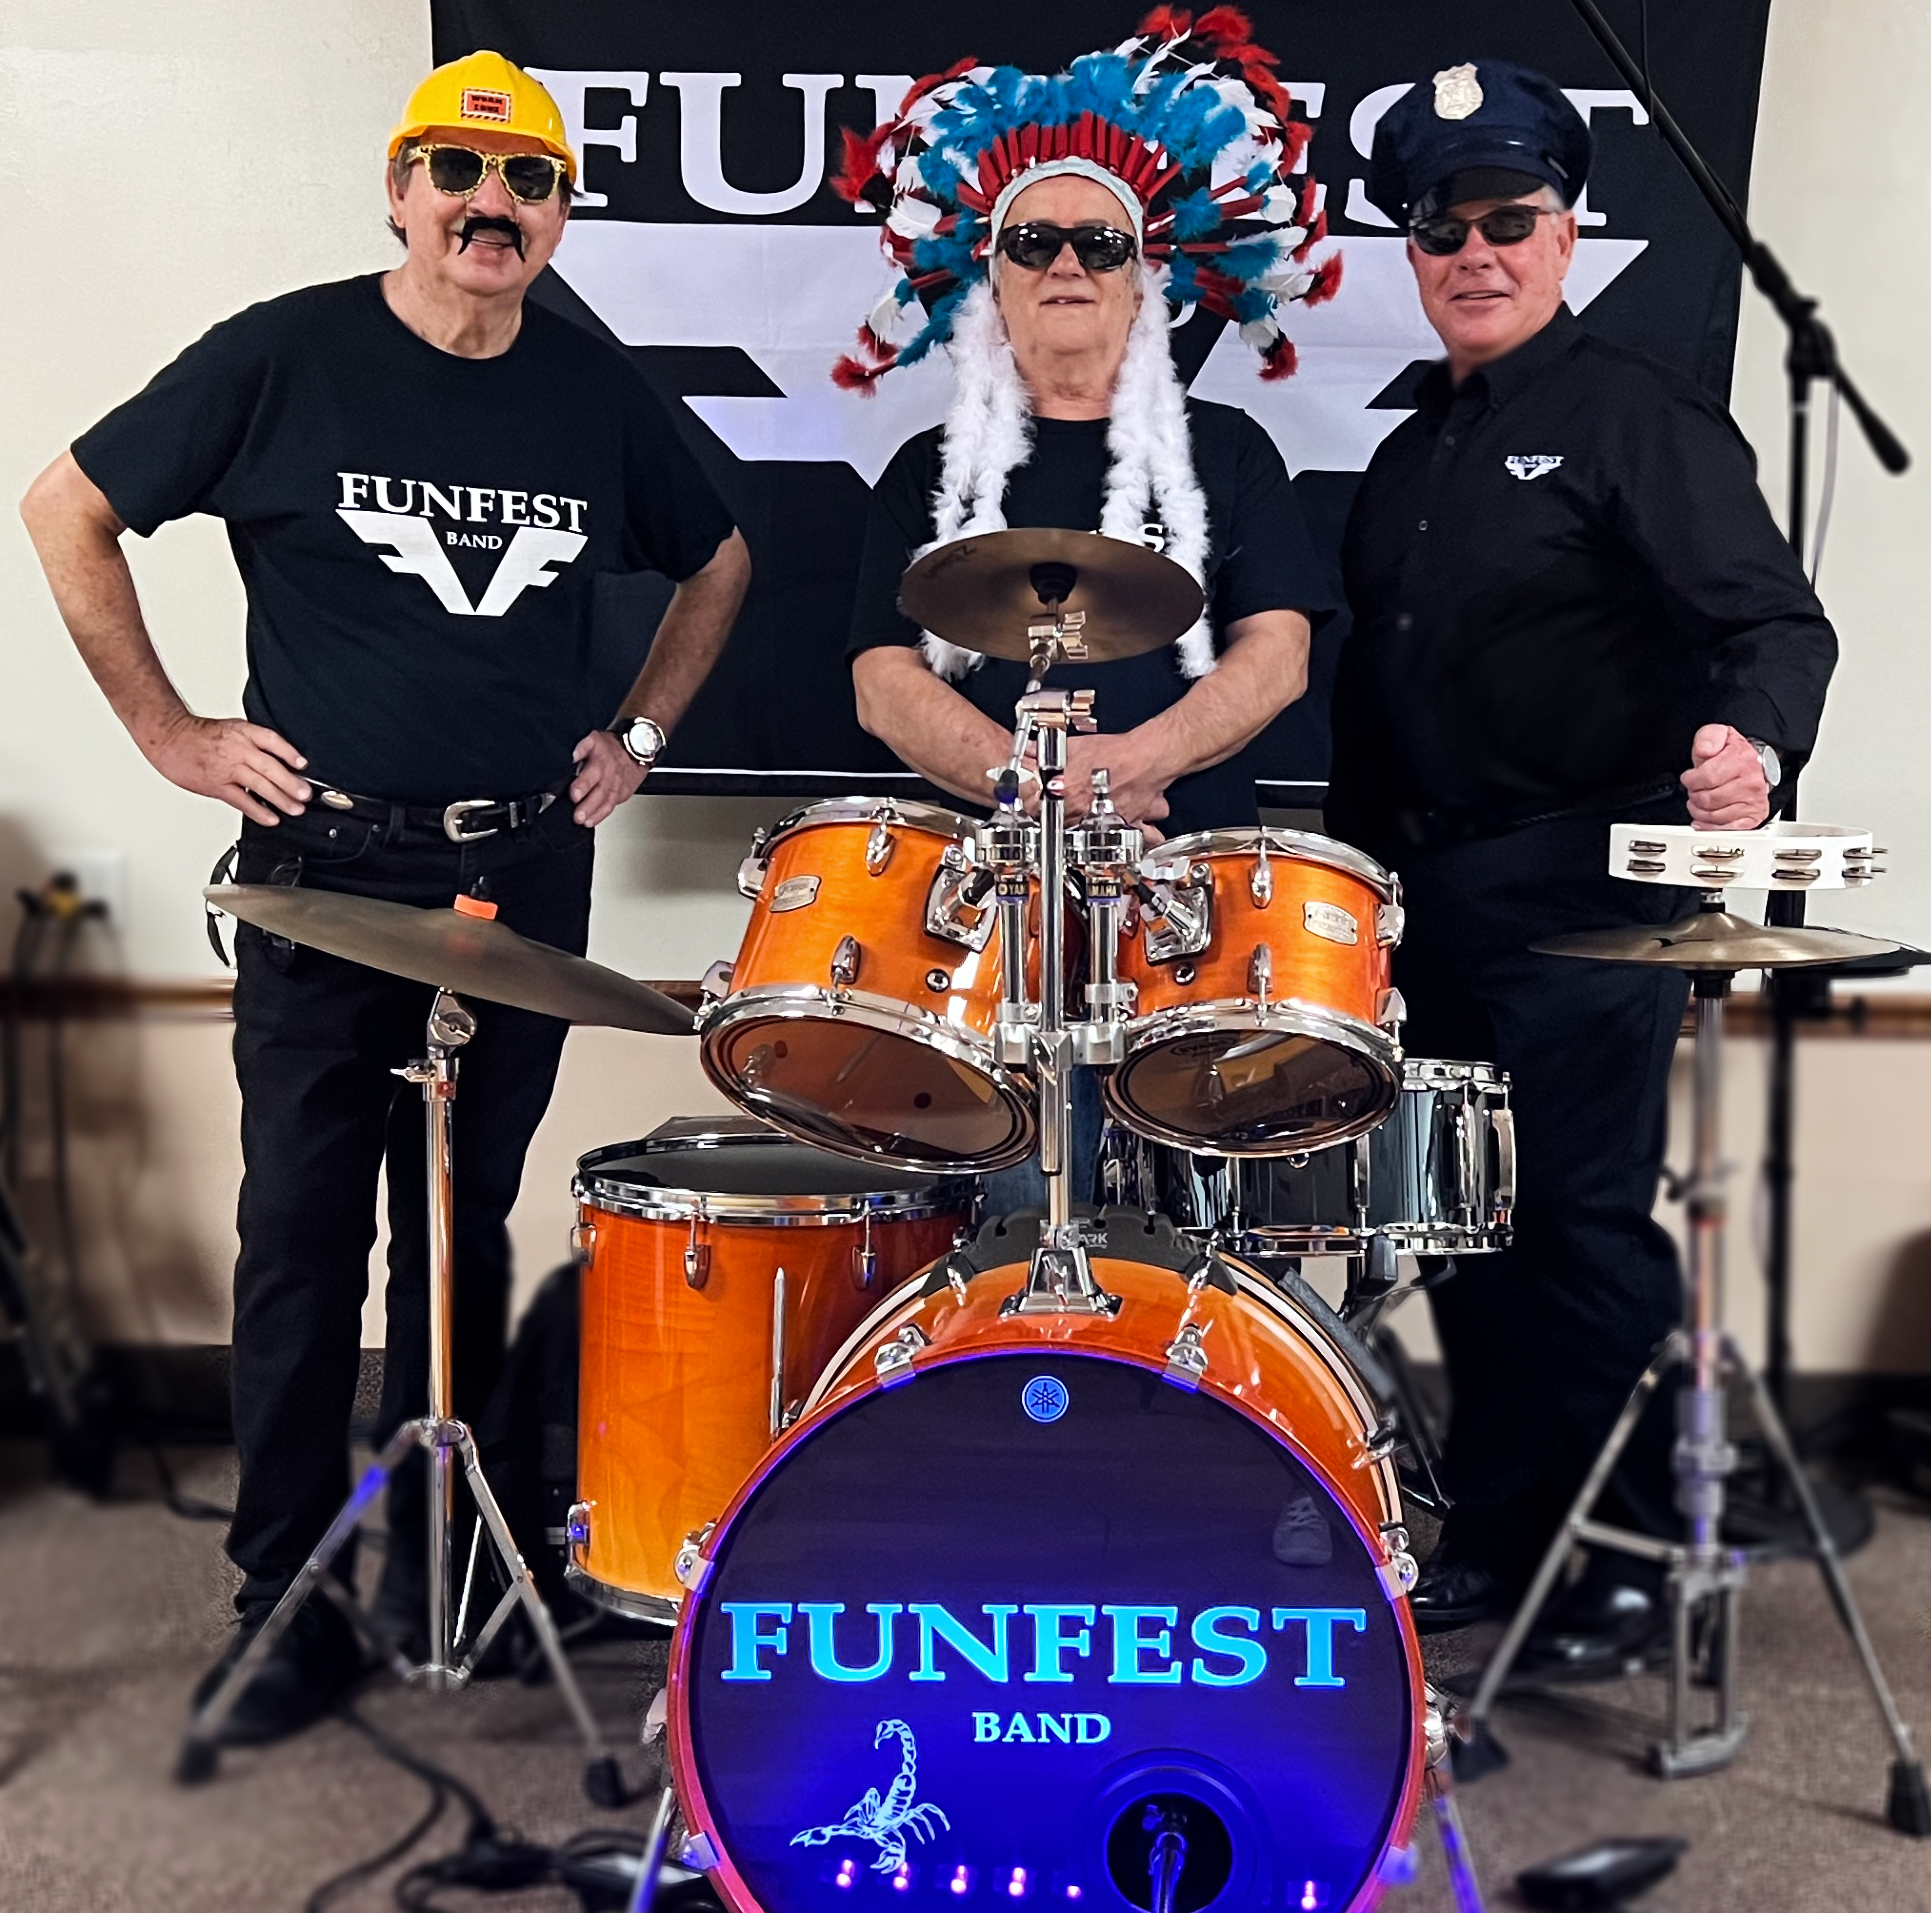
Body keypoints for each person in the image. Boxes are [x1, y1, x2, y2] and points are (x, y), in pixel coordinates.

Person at [19, 50, 750, 1740]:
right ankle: (281, 1594)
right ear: (400, 194)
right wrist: (168, 730)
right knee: (297, 1237)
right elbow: (67, 505)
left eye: (527, 184)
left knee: (459, 1229)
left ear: (559, 213)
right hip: (320, 872)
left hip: (517, 874)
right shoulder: (290, 354)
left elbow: (719, 554)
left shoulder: (592, 391)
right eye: (456, 175)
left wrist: (637, 730)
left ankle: (449, 1563)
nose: (490, 208)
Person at [1326, 60, 1835, 1639]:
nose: (1472, 254)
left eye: (1506, 221)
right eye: (1437, 229)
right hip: (1427, 895)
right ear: (1408, 251)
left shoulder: (1633, 413)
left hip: (1583, 884)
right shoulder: (1412, 449)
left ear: (1563, 232)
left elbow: (1768, 618)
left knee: (1577, 1219)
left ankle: (1609, 1551)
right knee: (1466, 1218)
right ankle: (1501, 1524)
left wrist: (1748, 743)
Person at [841, 17, 1338, 843]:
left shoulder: (1232, 450)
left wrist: (1128, 769)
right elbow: (881, 677)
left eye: (1101, 246)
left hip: (1190, 882)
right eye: (1032, 244)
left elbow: (1278, 655)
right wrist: (1028, 788)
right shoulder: (922, 471)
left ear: (1144, 283)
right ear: (992, 281)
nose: (1065, 266)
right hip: (980, 895)